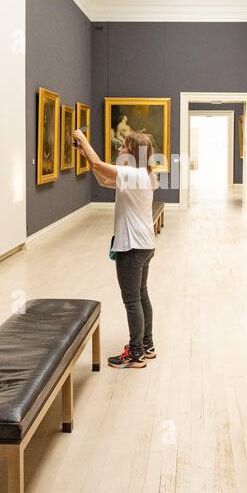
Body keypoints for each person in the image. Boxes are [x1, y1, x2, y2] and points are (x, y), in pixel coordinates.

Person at [72, 126, 157, 369]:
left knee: (132, 300)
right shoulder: (141, 174)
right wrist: (84, 154)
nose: (119, 149)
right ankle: (147, 345)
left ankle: (136, 354)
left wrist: (83, 139)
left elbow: (99, 165)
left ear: (132, 153)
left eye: (123, 146)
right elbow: (101, 177)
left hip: (132, 246)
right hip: (144, 244)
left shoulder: (134, 174)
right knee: (141, 295)